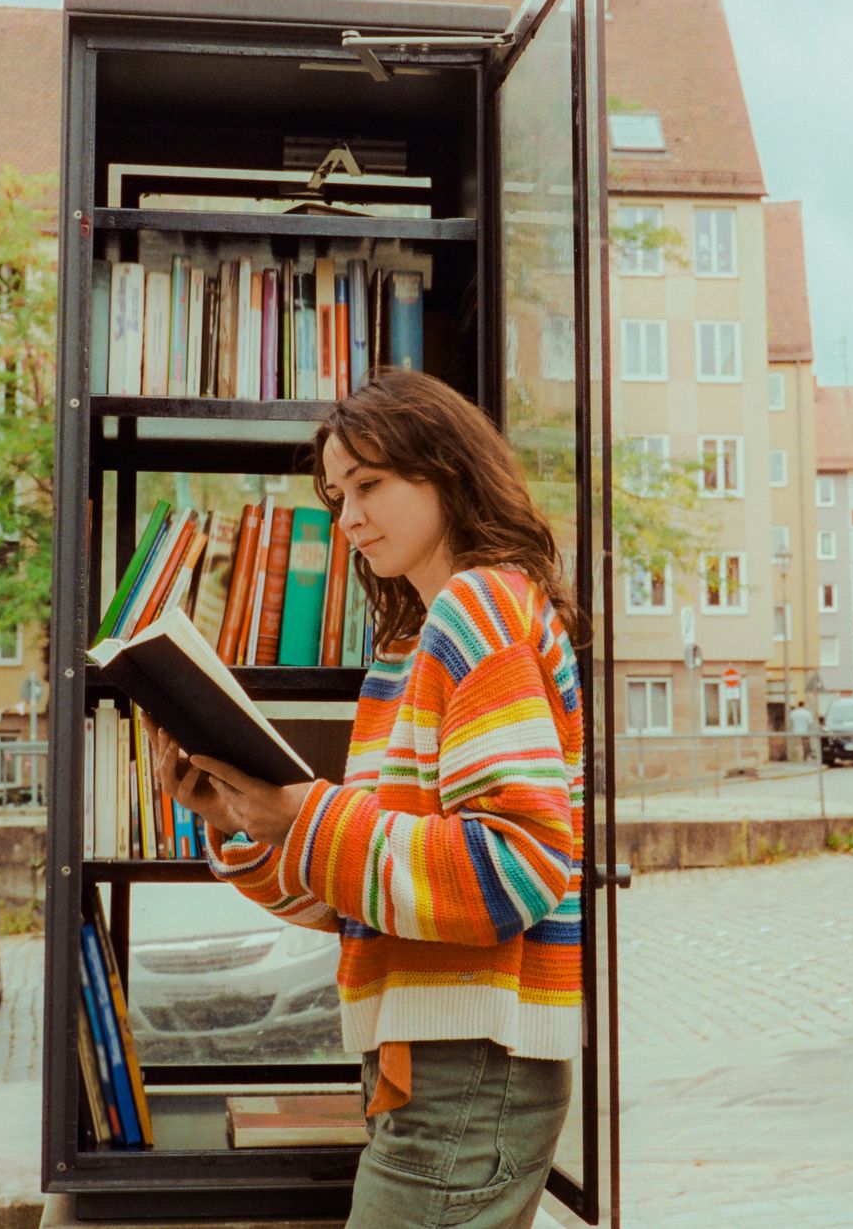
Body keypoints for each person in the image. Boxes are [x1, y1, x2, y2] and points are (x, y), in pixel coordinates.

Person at [145, 368, 586, 1229]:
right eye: (338, 493)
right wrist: (246, 819)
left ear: (448, 471)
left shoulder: (481, 607)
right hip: (428, 1059)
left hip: (469, 1060)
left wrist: (305, 815)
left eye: (371, 484)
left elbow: (518, 865)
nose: (346, 518)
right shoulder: (412, 646)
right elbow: (369, 895)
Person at [786, 698, 816, 763]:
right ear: (804, 705)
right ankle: (805, 757)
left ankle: (796, 757)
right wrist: (810, 731)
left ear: (798, 705)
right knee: (805, 745)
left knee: (797, 744)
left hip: (795, 731)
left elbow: (790, 722)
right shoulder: (807, 713)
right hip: (805, 731)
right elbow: (810, 723)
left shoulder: (793, 713)